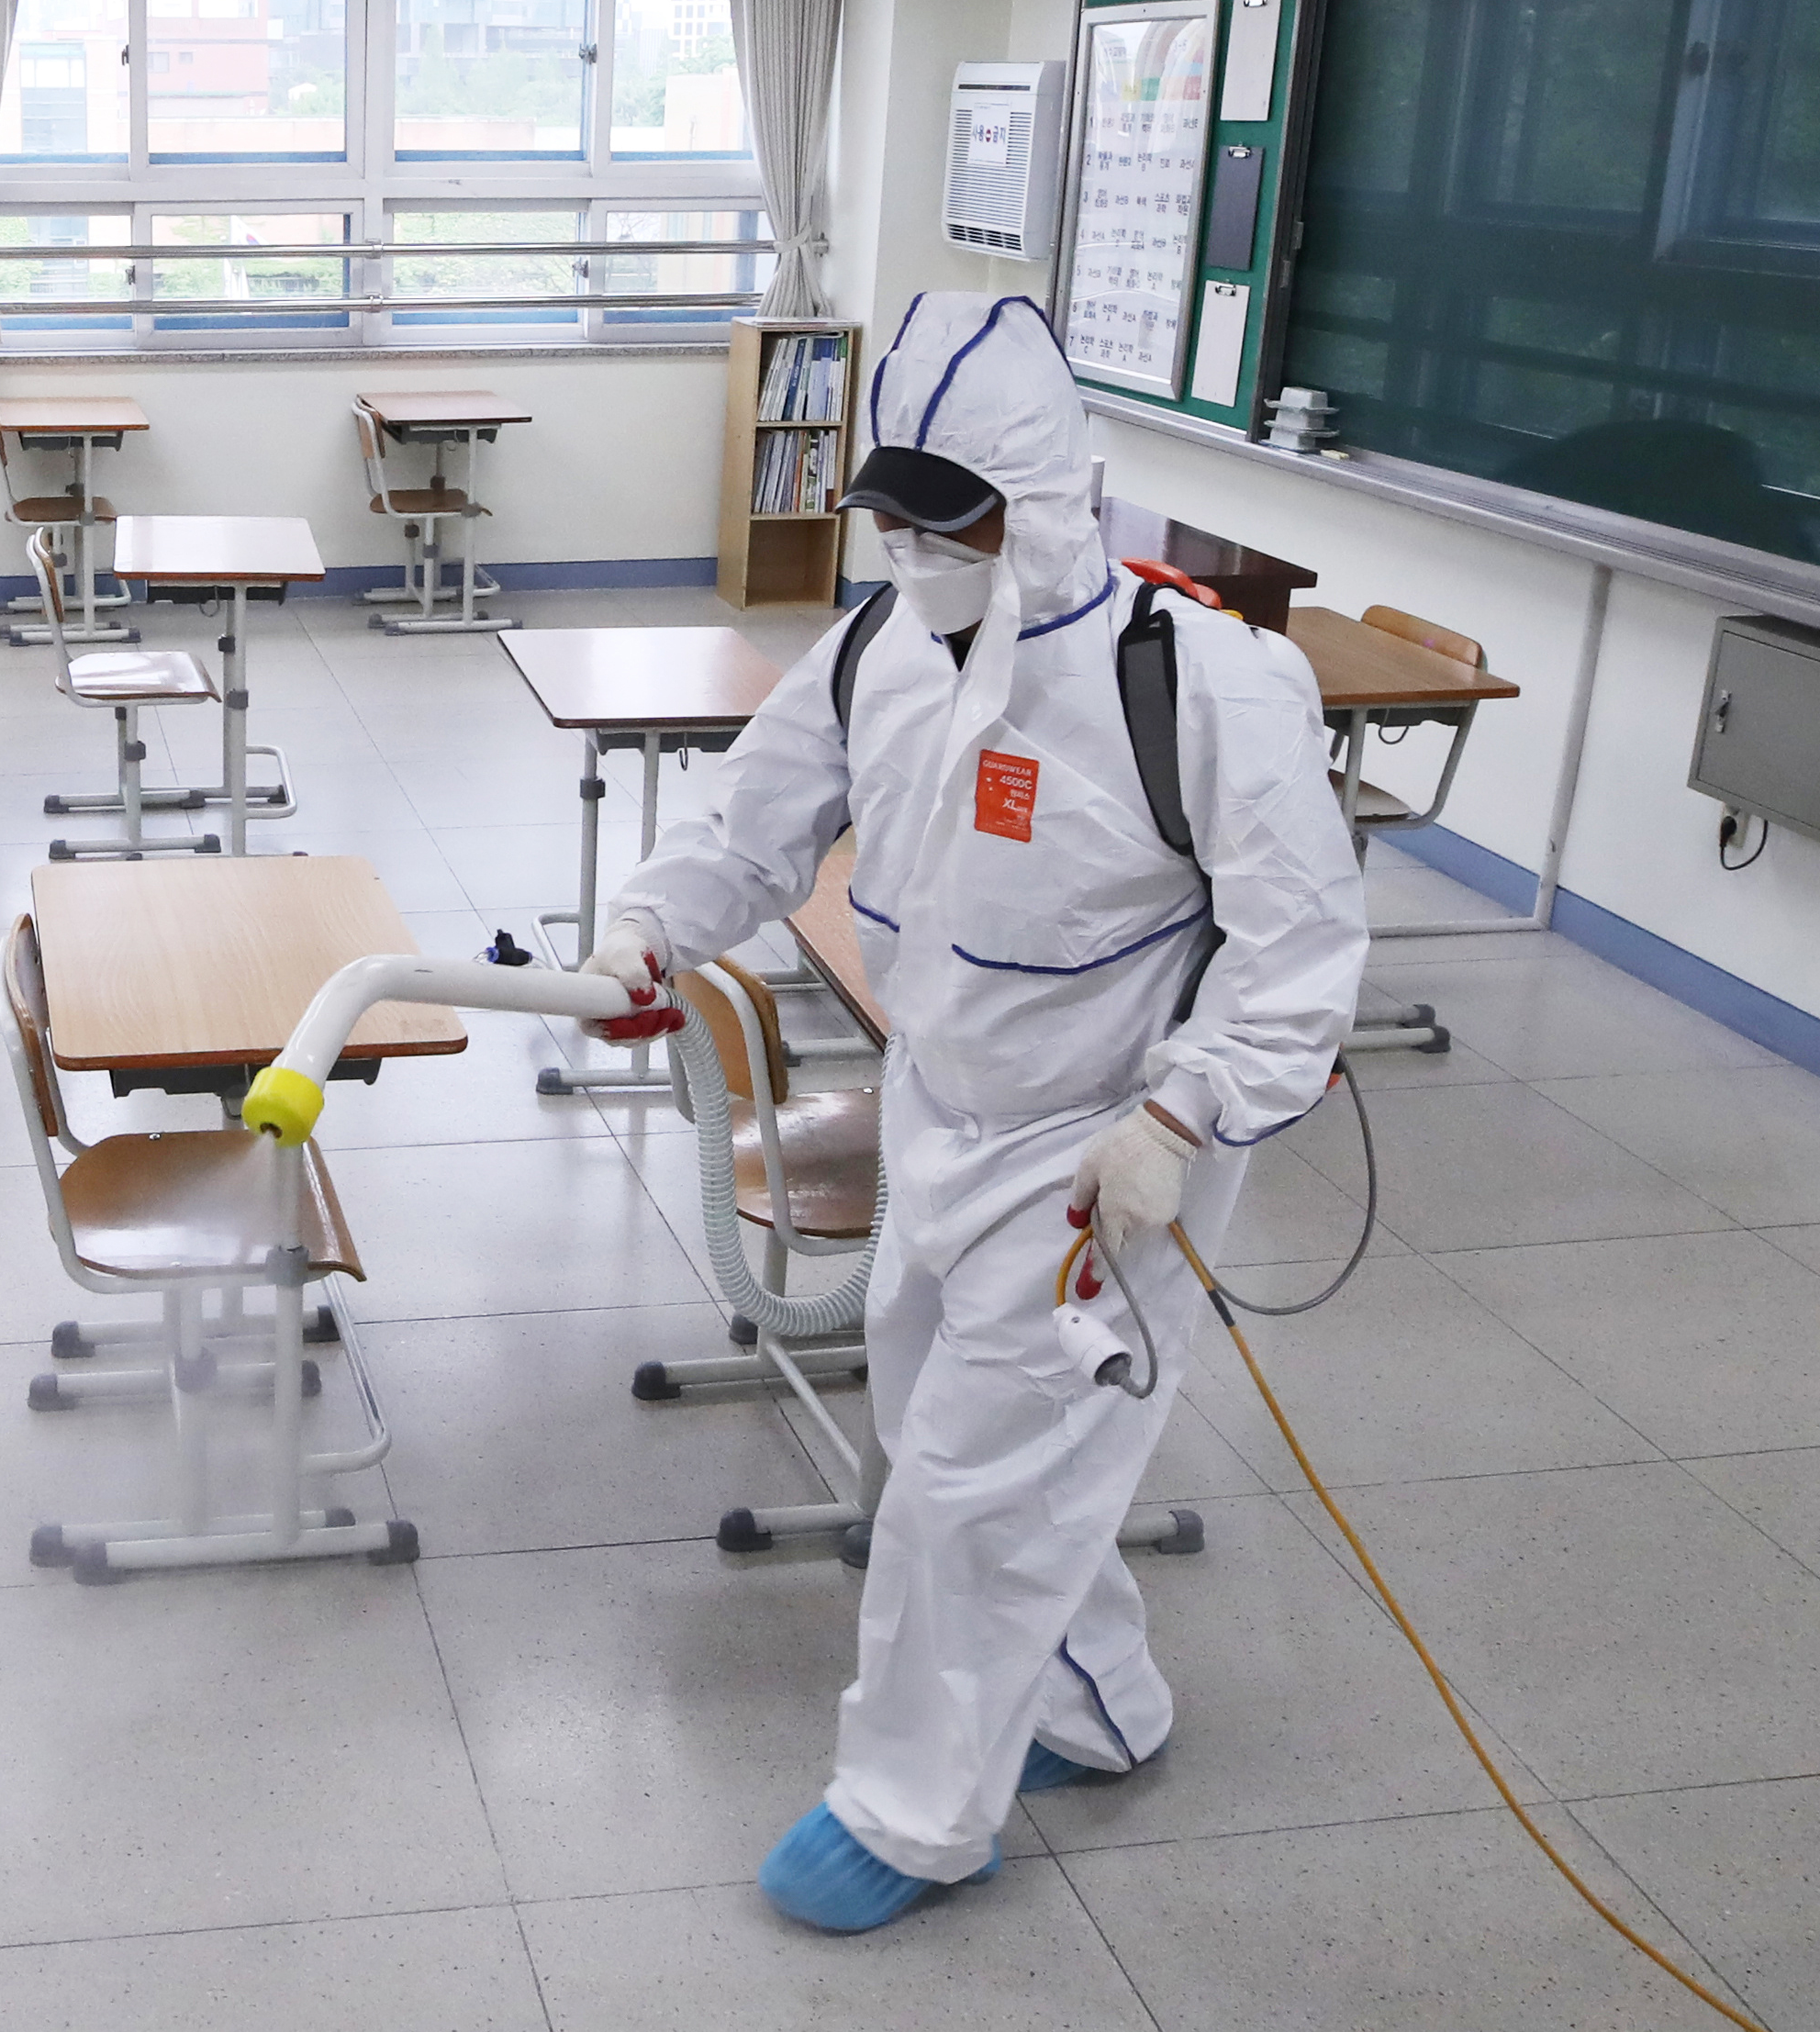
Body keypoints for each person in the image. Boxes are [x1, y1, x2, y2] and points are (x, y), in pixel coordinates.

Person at [580, 292, 1370, 1931]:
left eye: (953, 523)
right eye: (897, 517)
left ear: (1046, 506)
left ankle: (916, 1811)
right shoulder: (881, 649)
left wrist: (1187, 1116)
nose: (916, 551)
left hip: (1108, 1150)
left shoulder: (1200, 686)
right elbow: (752, 823)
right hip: (941, 1104)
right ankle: (1097, 1705)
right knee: (965, 1428)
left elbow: (1301, 950)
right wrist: (646, 926)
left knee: (964, 1483)